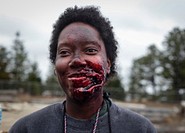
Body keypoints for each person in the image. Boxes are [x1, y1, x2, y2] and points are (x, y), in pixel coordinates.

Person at [9, 6, 156, 133]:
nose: (77, 61)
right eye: (64, 52)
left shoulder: (140, 129)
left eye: (90, 50)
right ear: (55, 65)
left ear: (108, 64)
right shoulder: (26, 129)